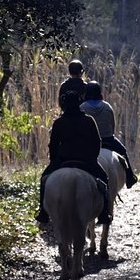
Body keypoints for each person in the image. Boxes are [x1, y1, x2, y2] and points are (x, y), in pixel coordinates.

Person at [34, 91, 112, 225]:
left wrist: (54, 160)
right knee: (104, 179)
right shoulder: (89, 120)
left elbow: (53, 145)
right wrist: (93, 158)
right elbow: (96, 141)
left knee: (44, 179)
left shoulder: (59, 122)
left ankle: (43, 212)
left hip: (64, 159)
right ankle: (104, 213)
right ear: (79, 104)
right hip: (86, 160)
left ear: (64, 104)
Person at [80, 81, 139, 188]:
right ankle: (130, 177)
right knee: (123, 151)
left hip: (88, 143)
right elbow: (112, 126)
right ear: (99, 93)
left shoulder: (82, 107)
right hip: (108, 140)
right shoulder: (107, 106)